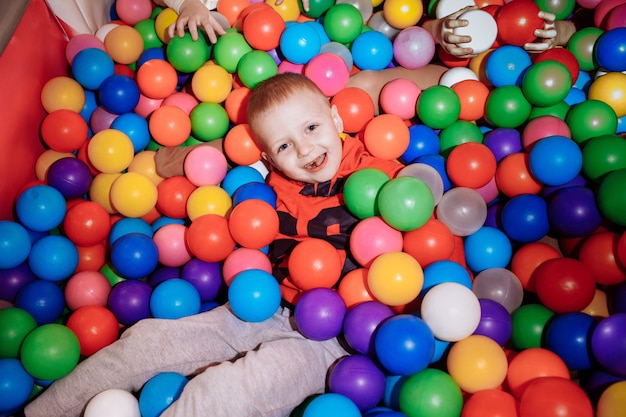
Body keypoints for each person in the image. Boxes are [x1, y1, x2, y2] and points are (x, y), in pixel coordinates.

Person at [23, 72, 411, 417]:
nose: (305, 150)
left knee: (227, 390)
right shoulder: (266, 185)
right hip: (264, 308)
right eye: (284, 146)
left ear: (337, 119)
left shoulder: (381, 176)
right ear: (268, 159)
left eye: (311, 128)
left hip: (338, 337)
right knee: (146, 341)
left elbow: (423, 228)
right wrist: (159, 158)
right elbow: (201, 160)